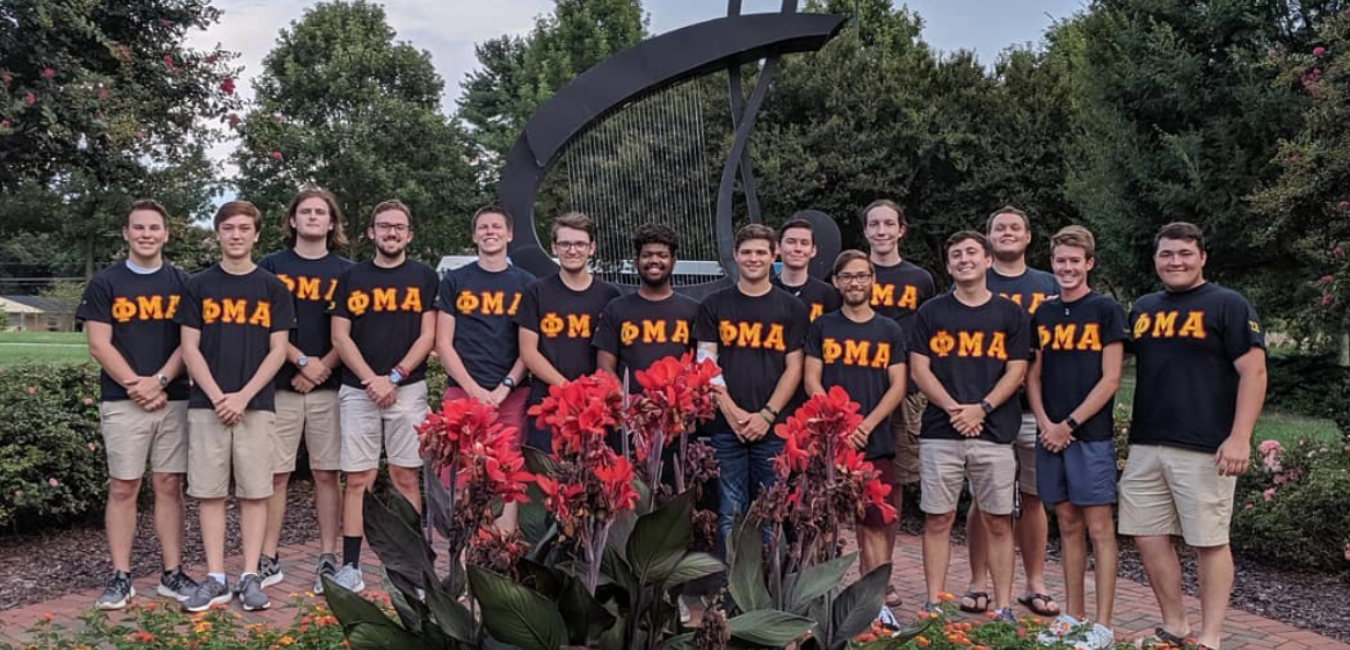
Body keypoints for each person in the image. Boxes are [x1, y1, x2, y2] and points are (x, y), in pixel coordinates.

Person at [1121, 222, 1266, 650]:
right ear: (1156, 260)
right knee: (1147, 536)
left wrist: (1240, 437)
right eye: (1167, 254)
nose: (1176, 261)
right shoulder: (1144, 308)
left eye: (1185, 253)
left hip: (1206, 446)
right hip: (1148, 442)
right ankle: (1176, 624)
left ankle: (1211, 635)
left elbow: (1254, 373)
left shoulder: (1228, 305)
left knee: (1208, 541)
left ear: (1202, 257)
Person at [176, 201, 296, 612]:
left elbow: (278, 350)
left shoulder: (272, 288)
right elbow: (189, 347)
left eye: (245, 228)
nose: (237, 235)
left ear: (257, 234)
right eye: (228, 228)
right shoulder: (197, 286)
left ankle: (249, 575)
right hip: (206, 405)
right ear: (218, 233)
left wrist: (243, 396)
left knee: (254, 492)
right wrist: (216, 396)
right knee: (209, 493)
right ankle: (214, 577)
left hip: (257, 405)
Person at [79, 200, 198, 610]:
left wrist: (161, 380)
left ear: (166, 234)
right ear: (126, 233)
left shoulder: (183, 283)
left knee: (169, 485)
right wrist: (136, 386)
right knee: (124, 485)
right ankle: (121, 576)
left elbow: (190, 343)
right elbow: (98, 343)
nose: (146, 234)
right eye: (139, 227)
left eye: (154, 228)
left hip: (174, 396)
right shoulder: (105, 283)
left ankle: (172, 573)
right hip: (123, 399)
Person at [908, 231, 1029, 621]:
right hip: (940, 432)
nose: (964, 259)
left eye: (972, 252)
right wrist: (954, 408)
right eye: (956, 254)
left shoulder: (1010, 313)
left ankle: (1005, 605)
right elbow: (919, 368)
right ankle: (934, 603)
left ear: (988, 261)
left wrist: (983, 408)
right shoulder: (931, 312)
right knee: (938, 517)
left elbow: (1017, 369)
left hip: (994, 432)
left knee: (997, 520)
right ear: (948, 266)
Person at [330, 200, 439, 593]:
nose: (391, 233)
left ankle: (413, 568)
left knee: (405, 475)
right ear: (371, 233)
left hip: (407, 389)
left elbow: (429, 335)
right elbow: (339, 336)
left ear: (409, 235)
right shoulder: (351, 276)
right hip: (358, 390)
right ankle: (351, 566)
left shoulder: (425, 277)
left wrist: (394, 377)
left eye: (399, 227)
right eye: (384, 226)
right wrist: (371, 379)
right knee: (358, 476)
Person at [1025, 226, 1126, 647]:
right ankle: (1073, 616)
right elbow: (1033, 374)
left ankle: (1102, 624)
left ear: (1089, 263)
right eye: (1060, 261)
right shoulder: (1043, 313)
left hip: (1091, 436)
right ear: (1053, 264)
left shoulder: (1106, 310)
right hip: (1050, 434)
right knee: (1066, 524)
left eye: (1075, 261)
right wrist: (1047, 422)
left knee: (1099, 527)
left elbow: (1111, 378)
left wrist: (1069, 425)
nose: (1067, 268)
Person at [964, 205, 1062, 616]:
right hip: (983, 410)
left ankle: (1034, 582)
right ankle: (977, 581)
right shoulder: (973, 281)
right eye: (999, 227)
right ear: (988, 239)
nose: (1007, 233)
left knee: (1033, 497)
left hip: (1034, 408)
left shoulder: (1049, 283)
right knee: (982, 502)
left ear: (1028, 237)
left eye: (1015, 227)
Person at [255, 189, 353, 594]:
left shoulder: (348, 272)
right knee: (274, 476)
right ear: (292, 220)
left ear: (332, 223)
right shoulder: (269, 268)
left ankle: (328, 556)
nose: (313, 217)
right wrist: (299, 362)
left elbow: (351, 331)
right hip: (280, 386)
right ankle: (267, 557)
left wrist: (321, 367)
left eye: (321, 212)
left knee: (327, 474)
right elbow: (261, 325)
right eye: (305, 211)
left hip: (329, 387)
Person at [803, 249, 907, 626]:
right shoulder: (823, 327)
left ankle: (875, 604)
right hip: (831, 442)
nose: (855, 282)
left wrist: (868, 423)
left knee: (873, 525)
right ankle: (817, 600)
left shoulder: (889, 330)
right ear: (836, 282)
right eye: (847, 277)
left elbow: (898, 385)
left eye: (862, 276)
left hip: (874, 441)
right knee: (822, 523)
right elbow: (812, 378)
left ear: (872, 281)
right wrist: (839, 424)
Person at [694, 224, 807, 548]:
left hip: (773, 429)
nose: (753, 258)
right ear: (735, 256)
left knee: (769, 511)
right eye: (747, 252)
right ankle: (731, 590)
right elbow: (706, 363)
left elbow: (795, 367)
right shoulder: (714, 305)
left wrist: (766, 415)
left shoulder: (791, 308)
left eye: (761, 252)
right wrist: (731, 412)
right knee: (730, 511)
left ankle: (766, 588)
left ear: (773, 256)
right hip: (726, 426)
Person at [433, 205, 534, 531]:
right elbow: (443, 343)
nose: (490, 232)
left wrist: (504, 386)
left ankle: (501, 559)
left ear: (510, 234)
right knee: (462, 474)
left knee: (507, 477)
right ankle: (465, 563)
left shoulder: (527, 285)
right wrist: (474, 390)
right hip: (462, 394)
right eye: (483, 227)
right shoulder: (455, 282)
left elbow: (528, 348)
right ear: (474, 235)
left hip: (512, 395)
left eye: (496, 226)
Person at [862, 199, 936, 607]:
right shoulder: (855, 272)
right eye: (874, 224)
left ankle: (885, 572)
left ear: (901, 229)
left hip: (905, 395)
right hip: (860, 394)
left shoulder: (920, 279)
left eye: (889, 223)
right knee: (860, 488)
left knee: (894, 485)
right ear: (866, 231)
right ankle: (868, 574)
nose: (882, 230)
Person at [517, 212, 621, 450]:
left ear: (591, 248)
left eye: (579, 244)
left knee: (594, 481)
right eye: (565, 244)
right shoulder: (536, 291)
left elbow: (613, 357)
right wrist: (569, 389)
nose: (572, 250)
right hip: (548, 403)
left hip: (596, 406)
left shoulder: (609, 296)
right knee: (547, 480)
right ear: (554, 247)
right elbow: (528, 352)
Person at [594, 223, 699, 381]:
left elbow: (701, 365)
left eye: (662, 255)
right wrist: (627, 401)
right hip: (630, 404)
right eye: (647, 255)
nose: (654, 260)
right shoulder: (616, 309)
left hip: (677, 404)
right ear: (636, 262)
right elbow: (604, 366)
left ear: (673, 261)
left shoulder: (694, 310)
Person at [773, 217, 841, 322]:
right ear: (778, 247)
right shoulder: (763, 290)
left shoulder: (828, 294)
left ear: (813, 250)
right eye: (791, 242)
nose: (798, 249)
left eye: (804, 243)